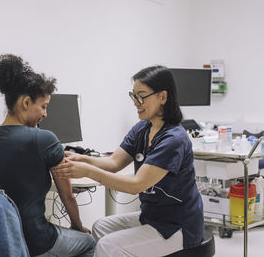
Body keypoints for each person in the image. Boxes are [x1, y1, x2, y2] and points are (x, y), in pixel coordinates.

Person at [52, 65, 204, 256]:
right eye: (133, 96)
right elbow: (114, 163)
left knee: (108, 245)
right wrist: (81, 158)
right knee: (100, 227)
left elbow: (135, 185)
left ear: (163, 97)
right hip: (153, 216)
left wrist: (88, 171)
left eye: (141, 96)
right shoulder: (142, 129)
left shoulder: (173, 139)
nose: (136, 102)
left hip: (179, 226)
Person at [0, 54, 96, 257]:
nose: (45, 114)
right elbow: (67, 195)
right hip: (37, 243)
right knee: (89, 242)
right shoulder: (45, 139)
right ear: (25, 102)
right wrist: (78, 226)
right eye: (44, 106)